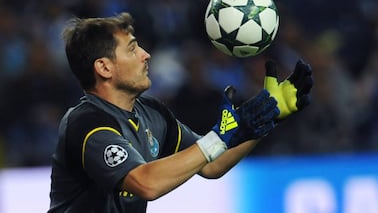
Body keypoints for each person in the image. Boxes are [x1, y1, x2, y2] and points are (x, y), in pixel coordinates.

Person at [48, 12, 313, 213]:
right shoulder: (86, 124)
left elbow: (211, 164)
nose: (146, 54)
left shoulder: (151, 113)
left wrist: (267, 118)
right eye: (132, 49)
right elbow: (145, 184)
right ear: (104, 68)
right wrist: (219, 137)